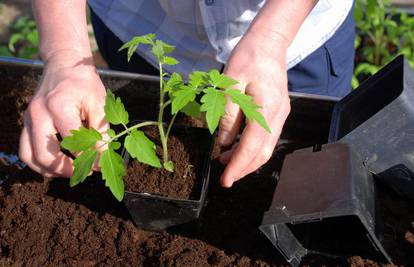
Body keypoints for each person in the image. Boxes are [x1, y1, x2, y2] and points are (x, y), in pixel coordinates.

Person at [20, 0, 354, 188]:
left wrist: (274, 36)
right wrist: (64, 54)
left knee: (306, 173)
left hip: (297, 31)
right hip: (142, 21)